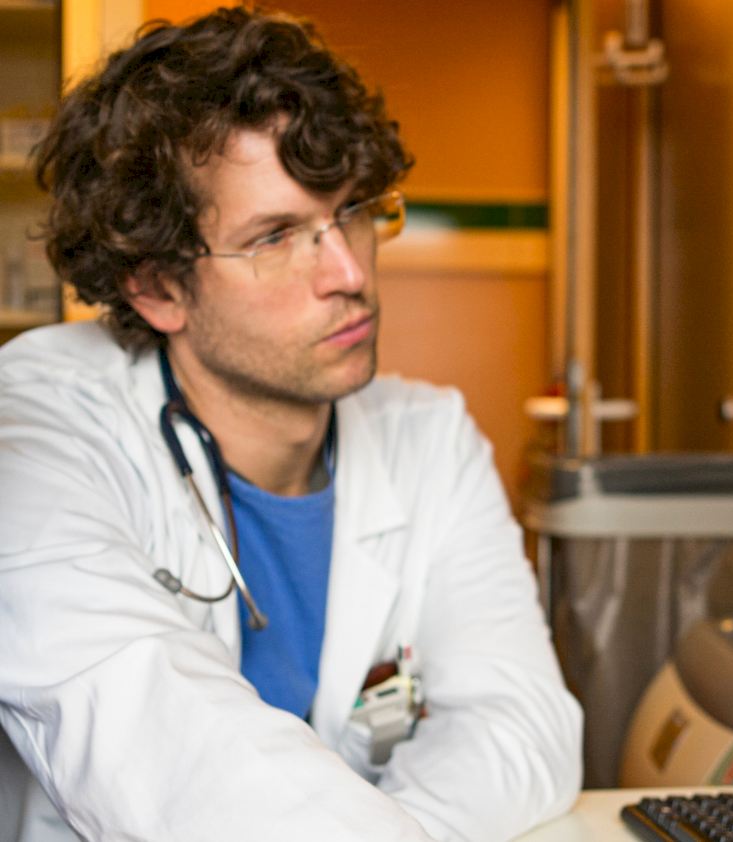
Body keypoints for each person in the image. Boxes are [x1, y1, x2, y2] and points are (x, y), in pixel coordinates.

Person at [0, 8, 581, 841]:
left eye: (352, 211)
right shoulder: (33, 432)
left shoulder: (429, 438)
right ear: (156, 287)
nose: (348, 272)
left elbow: (520, 726)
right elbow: (164, 745)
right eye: (275, 238)